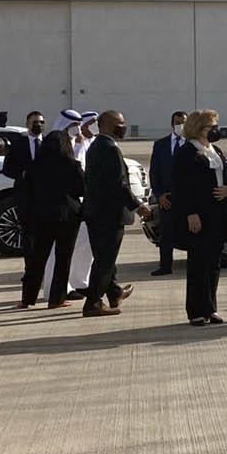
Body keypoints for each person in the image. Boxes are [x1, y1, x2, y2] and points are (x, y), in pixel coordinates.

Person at [81, 110, 151, 317]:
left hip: (96, 212)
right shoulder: (108, 148)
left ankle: (114, 292)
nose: (123, 127)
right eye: (118, 124)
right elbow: (117, 184)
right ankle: (93, 302)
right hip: (107, 214)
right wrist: (137, 205)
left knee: (105, 256)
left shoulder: (96, 146)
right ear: (105, 126)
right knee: (105, 259)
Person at [174, 110, 227, 326]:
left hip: (217, 213)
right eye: (211, 127)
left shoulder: (214, 150)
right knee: (198, 263)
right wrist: (190, 213)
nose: (215, 130)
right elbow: (181, 187)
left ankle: (211, 307)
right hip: (199, 213)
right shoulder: (186, 152)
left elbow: (226, 177)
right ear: (199, 128)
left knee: (214, 263)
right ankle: (196, 310)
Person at [16, 131, 85, 309]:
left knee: (37, 258)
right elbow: (81, 189)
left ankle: (27, 298)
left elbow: (27, 192)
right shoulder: (72, 165)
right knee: (63, 258)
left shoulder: (34, 166)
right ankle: (57, 298)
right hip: (67, 215)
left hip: (41, 215)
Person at [42, 109, 94, 300]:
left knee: (79, 247)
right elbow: (74, 170)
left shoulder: (78, 143)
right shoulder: (55, 146)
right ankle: (55, 290)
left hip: (77, 205)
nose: (76, 129)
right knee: (56, 253)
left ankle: (78, 282)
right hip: (61, 206)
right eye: (73, 126)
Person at [149, 110, 188, 276]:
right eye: (177, 123)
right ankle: (165, 266)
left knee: (190, 231)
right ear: (172, 124)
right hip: (167, 198)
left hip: (188, 197)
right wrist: (159, 195)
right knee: (167, 234)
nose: (180, 126)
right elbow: (154, 172)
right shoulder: (161, 145)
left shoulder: (192, 144)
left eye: (183, 122)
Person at [1, 111, 48, 181]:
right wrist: (23, 174)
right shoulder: (17, 144)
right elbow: (7, 169)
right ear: (27, 124)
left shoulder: (49, 143)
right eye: (35, 122)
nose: (39, 124)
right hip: (24, 188)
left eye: (41, 122)